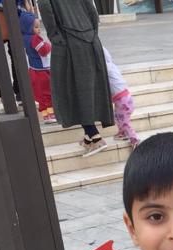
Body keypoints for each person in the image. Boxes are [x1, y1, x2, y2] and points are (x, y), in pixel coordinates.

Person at [39, 0, 114, 156]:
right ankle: (88, 137)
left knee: (70, 88)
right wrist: (92, 33)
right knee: (87, 87)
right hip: (90, 39)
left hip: (68, 42)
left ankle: (95, 136)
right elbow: (92, 12)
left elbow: (46, 10)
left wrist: (56, 38)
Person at [19, 8, 55, 122]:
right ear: (28, 27)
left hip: (33, 69)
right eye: (36, 27)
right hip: (41, 70)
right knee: (47, 92)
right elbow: (43, 51)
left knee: (40, 94)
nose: (39, 29)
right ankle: (51, 114)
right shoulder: (35, 39)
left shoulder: (25, 38)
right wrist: (49, 45)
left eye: (39, 26)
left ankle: (45, 114)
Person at [102, 45, 140, 147]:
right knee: (118, 117)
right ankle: (122, 133)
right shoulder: (112, 66)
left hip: (122, 100)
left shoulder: (106, 68)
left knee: (124, 121)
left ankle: (134, 139)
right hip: (125, 98)